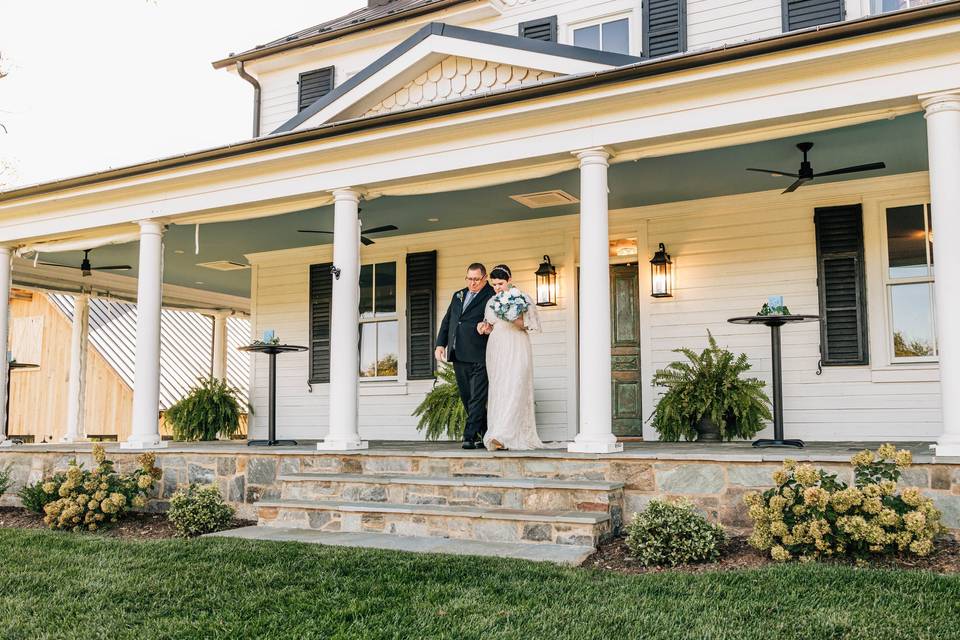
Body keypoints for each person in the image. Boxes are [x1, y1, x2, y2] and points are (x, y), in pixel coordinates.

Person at [476, 264, 544, 451]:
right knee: (500, 387)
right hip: (497, 346)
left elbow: (528, 325)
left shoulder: (521, 298)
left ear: (510, 280)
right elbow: (489, 324)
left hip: (516, 343)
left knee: (515, 385)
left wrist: (510, 315)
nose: (497, 287)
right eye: (495, 284)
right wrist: (484, 328)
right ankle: (497, 430)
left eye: (501, 283)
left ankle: (506, 434)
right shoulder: (491, 301)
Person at [435, 263, 495, 449]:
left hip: (480, 353)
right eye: (469, 279)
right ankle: (484, 434)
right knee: (467, 396)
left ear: (484, 278)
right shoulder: (458, 295)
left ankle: (468, 436)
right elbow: (449, 321)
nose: (472, 283)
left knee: (477, 396)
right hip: (458, 353)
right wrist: (440, 344)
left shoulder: (492, 296)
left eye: (476, 279)